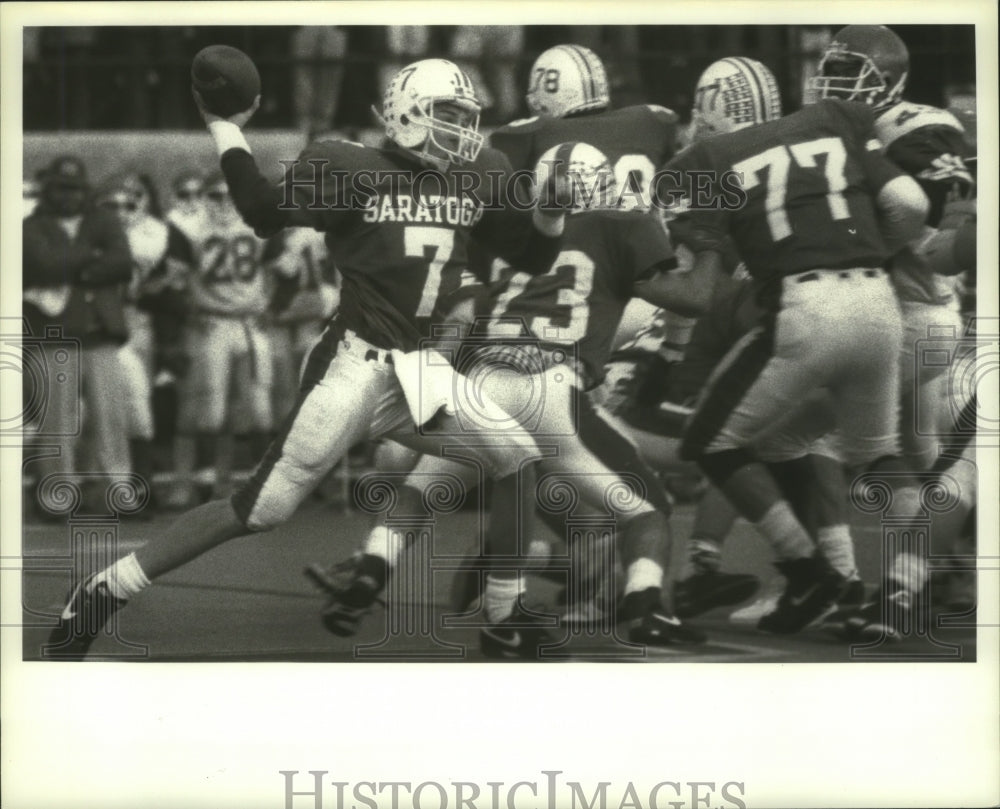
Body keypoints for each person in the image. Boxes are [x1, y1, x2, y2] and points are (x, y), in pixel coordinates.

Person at [47, 58, 569, 660]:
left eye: (466, 117)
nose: (462, 131)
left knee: (519, 458)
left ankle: (505, 614)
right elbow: (264, 214)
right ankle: (104, 588)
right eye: (447, 115)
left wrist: (551, 212)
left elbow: (528, 258)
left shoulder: (480, 173)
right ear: (405, 115)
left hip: (424, 370)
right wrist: (226, 126)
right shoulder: (350, 165)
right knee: (261, 509)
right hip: (355, 365)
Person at [315, 142, 720, 656]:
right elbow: (694, 298)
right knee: (646, 512)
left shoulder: (505, 232)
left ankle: (369, 576)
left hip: (479, 381)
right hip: (549, 387)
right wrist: (710, 246)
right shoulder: (619, 227)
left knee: (420, 491)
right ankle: (645, 609)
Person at [662, 60, 930, 635]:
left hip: (805, 310)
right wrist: (868, 251)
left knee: (710, 440)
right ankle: (903, 584)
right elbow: (911, 205)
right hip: (882, 305)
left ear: (710, 108)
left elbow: (699, 280)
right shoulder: (833, 119)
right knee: (876, 456)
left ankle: (810, 571)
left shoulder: (704, 161)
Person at [809, 25, 977, 640]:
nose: (834, 80)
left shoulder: (916, 126)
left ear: (892, 79)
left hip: (909, 312)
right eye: (831, 66)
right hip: (888, 314)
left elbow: (952, 205)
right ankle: (928, 580)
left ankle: (843, 582)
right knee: (921, 457)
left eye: (851, 70)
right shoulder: (824, 128)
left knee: (820, 443)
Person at [22, 155, 134, 517]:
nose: (68, 196)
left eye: (74, 189)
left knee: (111, 420)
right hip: (53, 337)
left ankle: (116, 493)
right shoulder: (31, 225)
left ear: (85, 189)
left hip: (101, 334)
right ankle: (58, 498)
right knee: (57, 423)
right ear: (48, 189)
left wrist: (72, 266)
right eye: (60, 188)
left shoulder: (103, 219)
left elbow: (122, 262)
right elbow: (43, 264)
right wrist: (91, 256)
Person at [166, 173, 280, 506]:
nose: (224, 203)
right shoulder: (188, 228)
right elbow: (175, 281)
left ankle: (260, 484)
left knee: (259, 408)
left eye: (231, 196)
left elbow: (278, 271)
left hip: (250, 324)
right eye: (215, 196)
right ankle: (203, 484)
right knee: (209, 406)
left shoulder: (260, 225)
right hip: (212, 323)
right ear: (204, 198)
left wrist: (269, 305)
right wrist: (189, 311)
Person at [94, 174, 195, 514]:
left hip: (135, 325)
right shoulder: (86, 235)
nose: (123, 209)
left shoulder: (157, 234)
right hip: (94, 330)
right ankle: (102, 489)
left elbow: (179, 278)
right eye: (114, 203)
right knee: (99, 413)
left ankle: (140, 488)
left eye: (130, 201)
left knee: (139, 410)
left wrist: (163, 291)